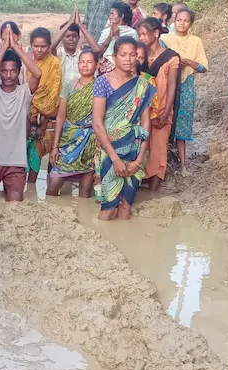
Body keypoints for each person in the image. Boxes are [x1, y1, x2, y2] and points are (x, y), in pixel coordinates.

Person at [0, 29, 42, 201]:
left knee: (16, 208)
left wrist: (16, 47)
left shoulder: (24, 92)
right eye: (4, 71)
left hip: (16, 161)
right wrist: (4, 48)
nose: (9, 75)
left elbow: (38, 73)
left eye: (13, 71)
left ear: (19, 71)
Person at [92, 37, 154, 221]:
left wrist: (140, 158)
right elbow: (97, 123)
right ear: (114, 56)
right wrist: (115, 159)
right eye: (123, 55)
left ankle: (124, 246)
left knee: (127, 204)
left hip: (135, 150)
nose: (128, 59)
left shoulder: (143, 86)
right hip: (110, 149)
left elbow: (146, 124)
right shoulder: (102, 83)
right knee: (109, 206)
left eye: (132, 55)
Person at [47, 50, 99, 198]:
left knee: (85, 190)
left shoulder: (100, 86)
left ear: (97, 65)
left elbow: (101, 119)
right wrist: (55, 146)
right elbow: (61, 116)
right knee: (53, 185)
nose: (85, 65)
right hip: (68, 139)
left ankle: (82, 218)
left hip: (90, 140)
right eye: (82, 62)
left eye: (89, 62)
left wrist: (98, 150)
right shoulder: (69, 86)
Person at [162, 8, 207, 176]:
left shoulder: (196, 41)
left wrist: (189, 62)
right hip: (166, 84)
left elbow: (203, 67)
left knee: (182, 125)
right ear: (174, 20)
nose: (182, 23)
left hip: (186, 86)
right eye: (179, 20)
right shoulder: (165, 39)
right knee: (164, 120)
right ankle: (162, 163)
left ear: (191, 23)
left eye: (186, 20)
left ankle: (183, 166)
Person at [138, 17, 180, 191]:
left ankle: (154, 189)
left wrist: (166, 112)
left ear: (156, 34)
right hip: (140, 111)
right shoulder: (139, 55)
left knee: (159, 149)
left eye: (144, 34)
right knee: (141, 146)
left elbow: (172, 87)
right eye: (139, 34)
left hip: (162, 109)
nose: (141, 38)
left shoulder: (171, 58)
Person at [26, 27, 63, 183]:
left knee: (43, 158)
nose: (39, 50)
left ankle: (39, 189)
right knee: (24, 158)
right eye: (36, 46)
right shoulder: (26, 61)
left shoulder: (55, 64)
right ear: (31, 45)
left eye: (43, 46)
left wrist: (44, 119)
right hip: (27, 117)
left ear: (49, 46)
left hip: (48, 120)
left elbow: (55, 94)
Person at [51, 9, 100, 86]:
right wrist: (70, 22)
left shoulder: (82, 55)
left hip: (79, 93)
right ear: (62, 39)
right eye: (67, 36)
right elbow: (51, 47)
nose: (71, 39)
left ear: (78, 38)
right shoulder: (57, 54)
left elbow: (96, 50)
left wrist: (80, 25)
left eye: (74, 36)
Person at [98, 1, 138, 72]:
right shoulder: (106, 32)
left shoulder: (132, 33)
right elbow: (99, 51)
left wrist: (117, 36)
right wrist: (110, 36)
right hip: (105, 69)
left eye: (112, 14)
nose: (110, 17)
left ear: (121, 16)